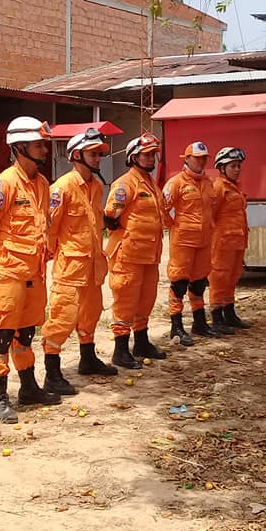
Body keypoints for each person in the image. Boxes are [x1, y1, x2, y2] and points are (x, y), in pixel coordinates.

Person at [0, 116, 61, 423]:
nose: (45, 150)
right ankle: (0, 397)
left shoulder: (41, 184)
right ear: (20, 146)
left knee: (25, 333)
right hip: (9, 271)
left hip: (34, 271)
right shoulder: (5, 183)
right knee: (2, 334)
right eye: (39, 145)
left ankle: (28, 387)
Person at [39, 128, 118, 393]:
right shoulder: (61, 188)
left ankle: (88, 358)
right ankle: (52, 372)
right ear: (76, 155)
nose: (98, 158)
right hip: (70, 268)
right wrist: (56, 254)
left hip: (93, 266)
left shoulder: (96, 186)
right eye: (93, 153)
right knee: (63, 317)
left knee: (90, 314)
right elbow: (49, 229)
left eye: (99, 153)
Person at [103, 132, 167, 369]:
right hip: (128, 255)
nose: (152, 159)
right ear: (133, 157)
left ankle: (141, 342)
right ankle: (120, 351)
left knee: (146, 300)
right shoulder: (125, 184)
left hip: (149, 255)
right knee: (126, 302)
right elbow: (110, 216)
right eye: (147, 155)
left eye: (153, 155)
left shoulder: (150, 184)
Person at [163, 141, 220, 344]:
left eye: (204, 158)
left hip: (203, 241)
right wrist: (175, 225)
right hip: (183, 242)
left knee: (198, 283)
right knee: (179, 284)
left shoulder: (208, 183)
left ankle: (199, 323)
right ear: (186, 159)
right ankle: (176, 327)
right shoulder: (176, 183)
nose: (201, 162)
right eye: (197, 158)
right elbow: (162, 207)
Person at [208, 147, 252, 332]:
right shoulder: (218, 188)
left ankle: (229, 312)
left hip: (237, 242)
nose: (237, 169)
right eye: (233, 166)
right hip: (222, 244)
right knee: (219, 278)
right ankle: (217, 317)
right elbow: (210, 215)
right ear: (222, 168)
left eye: (239, 166)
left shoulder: (235, 188)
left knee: (232, 278)